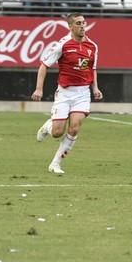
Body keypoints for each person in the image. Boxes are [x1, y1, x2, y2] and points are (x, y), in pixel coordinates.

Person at [32, 13, 103, 174]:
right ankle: (48, 126)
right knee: (57, 132)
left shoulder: (92, 46)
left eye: (84, 23)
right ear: (70, 26)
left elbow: (92, 69)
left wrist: (95, 88)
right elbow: (44, 65)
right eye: (78, 23)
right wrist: (39, 89)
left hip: (83, 93)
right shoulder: (62, 45)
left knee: (75, 128)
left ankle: (55, 163)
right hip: (64, 93)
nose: (83, 26)